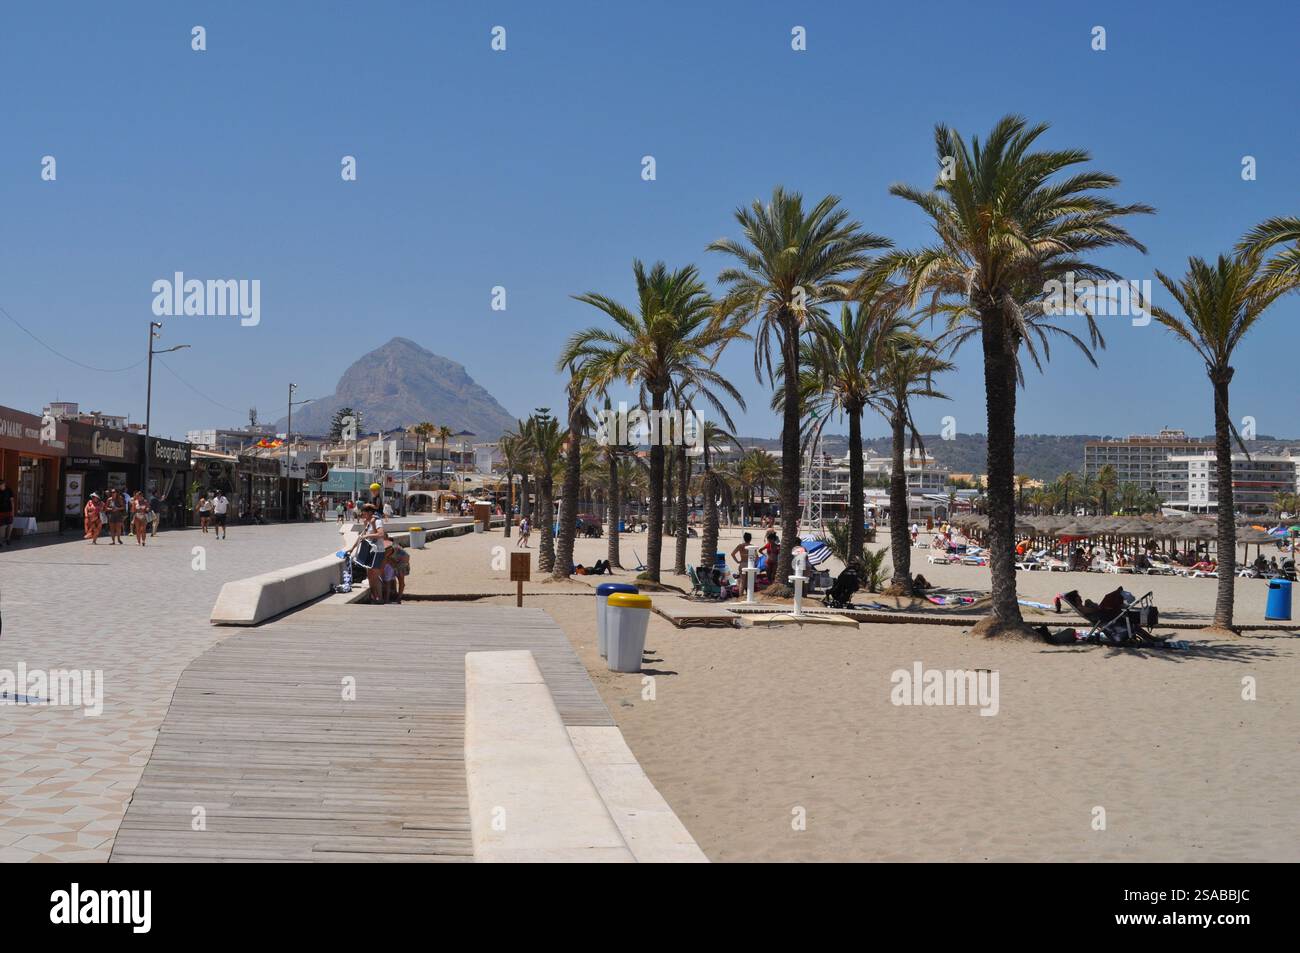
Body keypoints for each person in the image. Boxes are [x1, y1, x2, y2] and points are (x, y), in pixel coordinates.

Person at [0, 479, 13, 546]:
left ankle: (8, 539)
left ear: (4, 484)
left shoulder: (9, 490)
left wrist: (13, 511)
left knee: (10, 525)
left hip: (8, 510)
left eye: (1, 485)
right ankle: (1, 541)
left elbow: (12, 501)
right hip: (1, 511)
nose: (0, 486)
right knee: (2, 526)